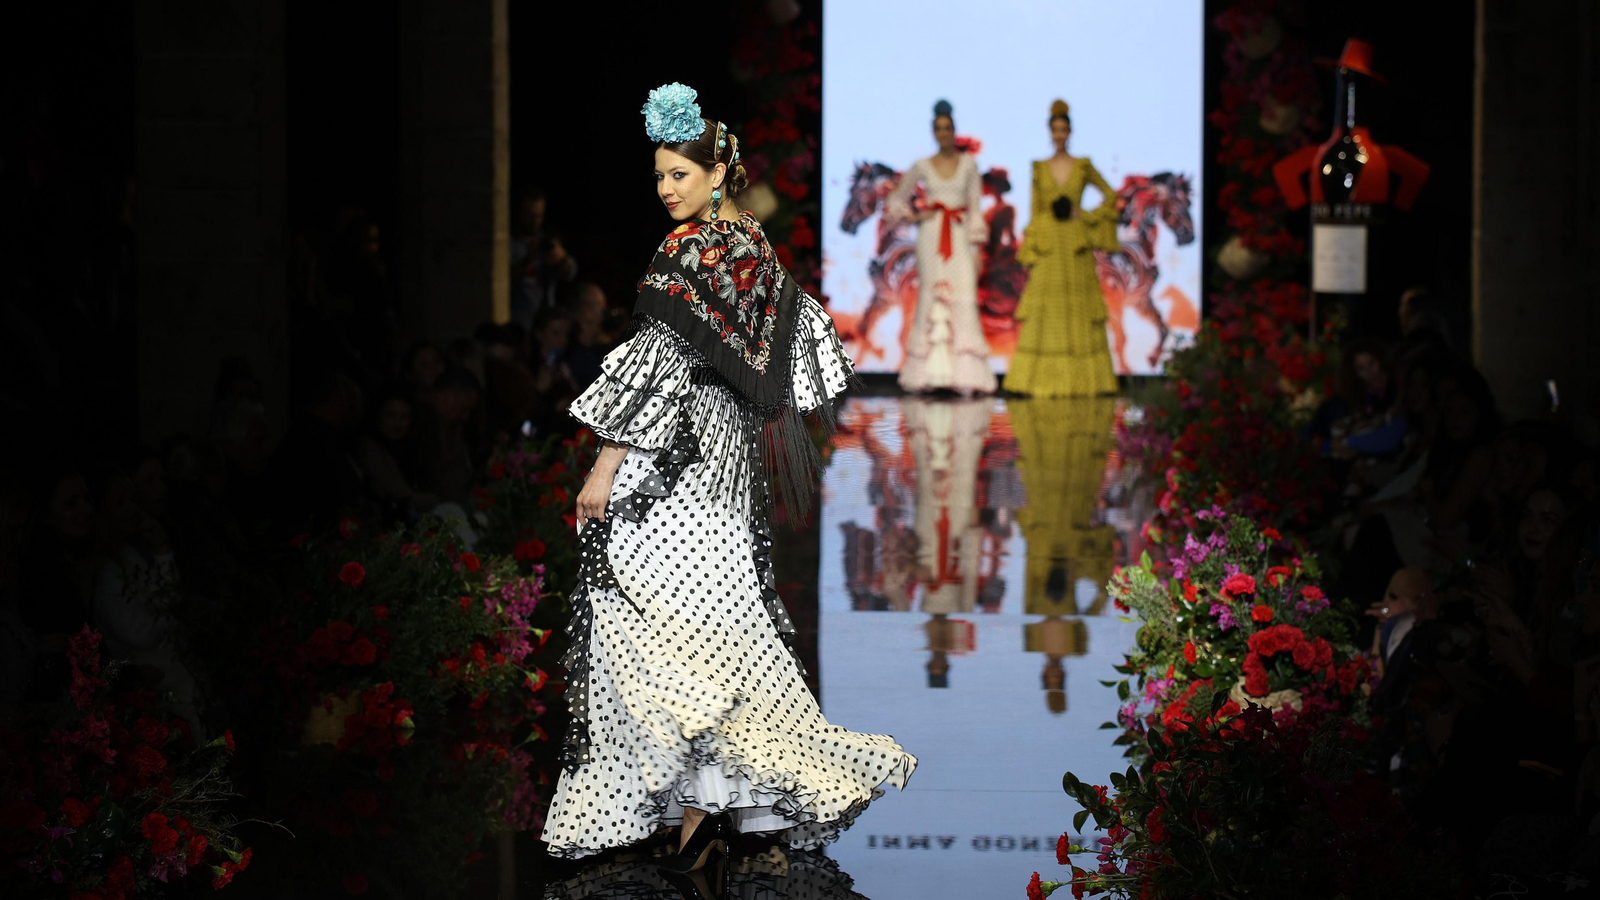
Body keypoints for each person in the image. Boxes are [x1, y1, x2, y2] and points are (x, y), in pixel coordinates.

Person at [540, 84, 916, 879]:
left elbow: (658, 362)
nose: (667, 189)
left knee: (643, 614)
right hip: (724, 465)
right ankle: (710, 807)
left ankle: (694, 807)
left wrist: (604, 467)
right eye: (659, 177)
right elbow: (796, 363)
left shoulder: (686, 253)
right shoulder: (752, 248)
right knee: (721, 625)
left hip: (667, 461)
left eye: (679, 173)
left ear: (718, 172)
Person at [1006, 100, 1122, 397]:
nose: (1059, 135)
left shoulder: (1082, 165)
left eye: (1063, 129)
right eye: (1055, 130)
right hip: (1048, 246)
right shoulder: (1039, 167)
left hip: (1073, 245)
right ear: (1050, 132)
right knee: (1047, 313)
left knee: (1077, 310)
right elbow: (1034, 210)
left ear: (1070, 131)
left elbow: (1110, 195)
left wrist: (1083, 215)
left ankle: (1082, 382)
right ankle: (1041, 382)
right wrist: (1030, 248)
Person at [885, 99, 997, 396]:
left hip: (958, 235)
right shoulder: (923, 165)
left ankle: (966, 378)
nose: (943, 133)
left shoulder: (969, 165)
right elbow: (896, 198)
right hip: (931, 235)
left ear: (954, 130)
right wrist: (915, 215)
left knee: (962, 297)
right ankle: (928, 377)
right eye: (938, 128)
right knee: (931, 296)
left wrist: (976, 251)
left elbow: (974, 208)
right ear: (933, 131)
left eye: (947, 128)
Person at [510, 187, 579, 329]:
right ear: (520, 213)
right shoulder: (509, 243)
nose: (535, 221)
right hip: (520, 322)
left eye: (539, 215)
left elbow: (570, 274)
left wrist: (562, 258)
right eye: (530, 215)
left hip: (547, 322)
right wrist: (529, 258)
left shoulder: (546, 241)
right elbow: (506, 279)